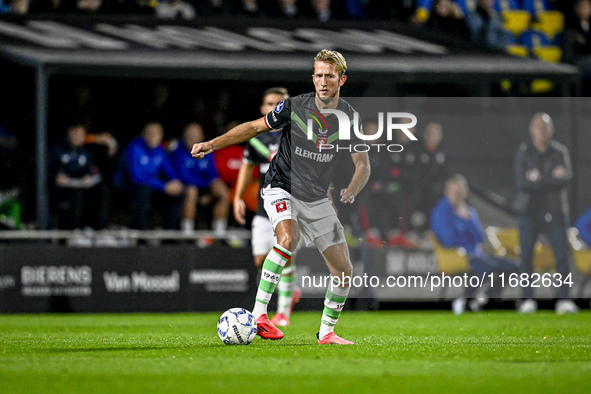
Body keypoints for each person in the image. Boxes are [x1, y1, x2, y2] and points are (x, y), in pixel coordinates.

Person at [192, 49, 370, 345]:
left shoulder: (349, 117)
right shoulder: (295, 106)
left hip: (315, 197)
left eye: (330, 76)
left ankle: (326, 333)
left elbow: (362, 164)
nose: (323, 81)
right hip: (281, 186)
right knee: (287, 240)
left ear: (342, 79)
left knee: (343, 270)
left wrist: (352, 188)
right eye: (319, 75)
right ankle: (260, 315)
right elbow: (254, 127)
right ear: (313, 78)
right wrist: (214, 143)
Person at [233, 87, 302, 327]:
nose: (274, 108)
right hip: (263, 207)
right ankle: (289, 291)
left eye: (279, 103)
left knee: (285, 251)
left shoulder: (297, 134)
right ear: (263, 108)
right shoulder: (257, 139)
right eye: (270, 103)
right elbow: (246, 167)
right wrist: (237, 197)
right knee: (261, 259)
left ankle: (283, 311)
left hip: (289, 202)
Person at [513, 112, 579, 314]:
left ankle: (563, 300)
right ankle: (527, 300)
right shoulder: (524, 152)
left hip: (555, 211)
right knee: (526, 257)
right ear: (531, 129)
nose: (541, 130)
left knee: (561, 256)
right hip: (529, 212)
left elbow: (566, 178)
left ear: (552, 129)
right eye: (538, 126)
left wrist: (538, 179)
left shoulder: (560, 152)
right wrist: (550, 178)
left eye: (545, 126)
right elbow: (520, 181)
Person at [431, 174, 519, 314]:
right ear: (446, 192)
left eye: (459, 191)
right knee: (484, 266)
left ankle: (489, 296)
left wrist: (467, 219)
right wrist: (464, 232)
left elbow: (479, 238)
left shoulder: (468, 211)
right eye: (453, 191)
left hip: (475, 253)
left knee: (513, 266)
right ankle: (466, 299)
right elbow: (447, 239)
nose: (456, 195)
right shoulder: (441, 210)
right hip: (456, 254)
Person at [114, 122, 184, 230]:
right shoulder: (134, 148)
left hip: (152, 186)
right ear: (144, 135)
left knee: (178, 191)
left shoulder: (160, 151)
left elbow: (170, 172)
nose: (152, 137)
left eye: (155, 134)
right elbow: (136, 178)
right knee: (143, 191)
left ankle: (171, 233)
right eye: (149, 133)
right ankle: (140, 232)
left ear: (161, 136)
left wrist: (175, 182)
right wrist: (164, 186)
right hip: (128, 187)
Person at [169, 122, 229, 236]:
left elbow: (213, 174)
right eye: (189, 136)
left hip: (203, 186)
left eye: (195, 136)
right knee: (192, 191)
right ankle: (187, 232)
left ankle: (220, 232)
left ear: (201, 137)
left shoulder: (207, 150)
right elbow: (185, 177)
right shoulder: (178, 151)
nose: (191, 139)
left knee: (222, 189)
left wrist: (209, 195)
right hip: (186, 187)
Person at [49, 124, 105, 230]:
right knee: (77, 194)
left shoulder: (87, 152)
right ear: (69, 133)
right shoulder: (57, 150)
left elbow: (91, 171)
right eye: (75, 134)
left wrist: (89, 176)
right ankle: (74, 230)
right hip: (61, 189)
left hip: (81, 187)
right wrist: (56, 177)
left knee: (102, 190)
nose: (77, 138)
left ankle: (97, 229)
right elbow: (49, 171)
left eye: (80, 135)